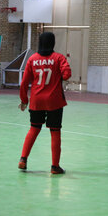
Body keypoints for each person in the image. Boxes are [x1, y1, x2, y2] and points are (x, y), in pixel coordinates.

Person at [18, 32, 71, 174]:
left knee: (34, 129)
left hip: (36, 101)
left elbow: (24, 83)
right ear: (52, 43)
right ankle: (55, 166)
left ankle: (23, 159)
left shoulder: (32, 59)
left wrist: (24, 100)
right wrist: (61, 75)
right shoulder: (59, 58)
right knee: (55, 132)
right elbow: (67, 74)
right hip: (54, 101)